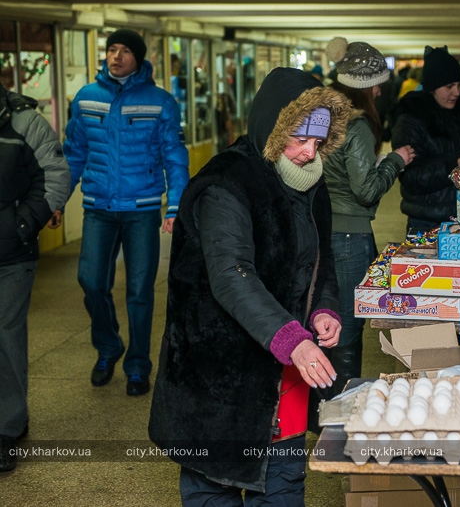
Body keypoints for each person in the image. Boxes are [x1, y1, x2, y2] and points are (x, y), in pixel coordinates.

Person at [148, 67, 350, 505]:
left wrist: (324, 309)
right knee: (213, 487)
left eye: (317, 142)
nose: (307, 153)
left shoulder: (312, 183)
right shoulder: (226, 183)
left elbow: (321, 259)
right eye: (299, 140)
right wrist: (291, 338)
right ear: (272, 128)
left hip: (284, 372)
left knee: (282, 484)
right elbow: (230, 273)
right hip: (219, 374)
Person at [62, 29, 190, 396]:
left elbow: (174, 157)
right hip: (98, 208)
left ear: (138, 57)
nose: (116, 56)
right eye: (111, 50)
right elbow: (74, 153)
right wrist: (55, 200)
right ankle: (108, 346)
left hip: (142, 209)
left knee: (139, 290)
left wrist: (175, 204)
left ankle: (137, 365)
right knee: (90, 280)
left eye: (124, 51)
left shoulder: (160, 101)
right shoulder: (86, 98)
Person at [321, 37, 415, 402]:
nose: (379, 91)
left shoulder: (324, 116)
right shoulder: (356, 126)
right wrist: (395, 161)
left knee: (326, 318)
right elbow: (366, 190)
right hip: (349, 237)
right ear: (362, 85)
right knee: (347, 325)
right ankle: (339, 408)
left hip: (326, 228)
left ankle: (322, 403)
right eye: (376, 83)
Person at [0, 83, 70, 472]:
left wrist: (22, 225)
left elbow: (56, 174)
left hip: (10, 254)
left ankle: (7, 428)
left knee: (5, 334)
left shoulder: (25, 121)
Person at [391, 45, 460, 234]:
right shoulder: (412, 120)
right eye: (449, 86)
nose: (456, 92)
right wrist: (455, 164)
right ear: (432, 88)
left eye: (459, 85)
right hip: (426, 222)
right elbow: (411, 178)